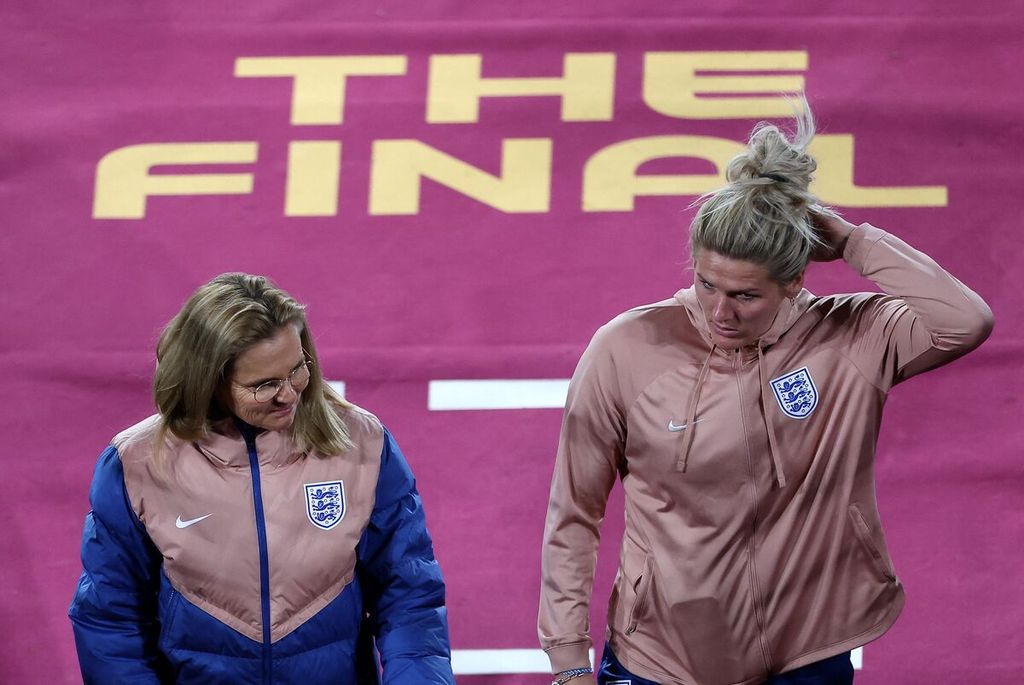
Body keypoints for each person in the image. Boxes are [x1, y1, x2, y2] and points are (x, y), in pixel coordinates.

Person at [537, 103, 993, 685]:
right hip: (661, 657)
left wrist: (852, 241)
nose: (720, 312)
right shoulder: (627, 349)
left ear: (795, 280)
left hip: (809, 651)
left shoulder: (850, 338)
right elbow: (574, 511)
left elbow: (965, 321)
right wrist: (569, 662)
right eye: (707, 284)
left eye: (746, 296)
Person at [69, 273, 455, 684]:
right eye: (264, 384)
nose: (289, 394)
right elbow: (110, 621)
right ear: (208, 382)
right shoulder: (136, 462)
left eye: (297, 370)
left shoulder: (361, 441)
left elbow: (410, 596)